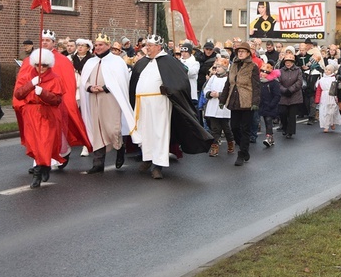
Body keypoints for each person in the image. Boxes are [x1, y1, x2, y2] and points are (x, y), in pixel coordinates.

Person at [130, 34, 213, 179]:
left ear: (158, 47)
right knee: (145, 132)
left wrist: (169, 89)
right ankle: (147, 158)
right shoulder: (143, 62)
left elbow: (180, 81)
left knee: (159, 133)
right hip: (142, 104)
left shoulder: (168, 61)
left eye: (150, 46)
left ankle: (158, 165)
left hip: (159, 103)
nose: (147, 48)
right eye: (146, 45)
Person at [15, 29, 91, 170]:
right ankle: (39, 163)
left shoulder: (62, 61)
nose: (44, 43)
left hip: (52, 105)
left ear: (53, 43)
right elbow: (21, 83)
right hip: (34, 108)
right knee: (37, 137)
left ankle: (61, 153)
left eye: (47, 41)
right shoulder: (30, 60)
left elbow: (66, 84)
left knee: (52, 136)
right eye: (42, 40)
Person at [78, 33, 138, 174]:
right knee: (97, 129)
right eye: (96, 45)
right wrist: (89, 87)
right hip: (94, 99)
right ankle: (98, 163)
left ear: (108, 46)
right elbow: (83, 81)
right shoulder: (90, 62)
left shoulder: (117, 62)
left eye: (101, 45)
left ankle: (119, 148)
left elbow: (121, 82)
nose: (98, 48)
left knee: (112, 128)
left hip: (111, 99)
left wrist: (105, 87)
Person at [13, 49, 65, 188]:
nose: (40, 68)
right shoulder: (27, 76)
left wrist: (43, 93)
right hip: (31, 113)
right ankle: (42, 167)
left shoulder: (55, 78)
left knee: (45, 143)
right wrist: (30, 85)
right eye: (37, 64)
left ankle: (40, 171)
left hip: (47, 114)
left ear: (49, 65)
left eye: (43, 65)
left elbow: (57, 100)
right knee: (34, 144)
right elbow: (18, 94)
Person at [219, 41, 261, 166]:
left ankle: (242, 153)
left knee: (245, 129)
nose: (240, 53)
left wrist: (255, 102)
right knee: (234, 127)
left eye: (243, 51)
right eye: (239, 51)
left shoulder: (252, 67)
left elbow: (257, 86)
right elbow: (228, 83)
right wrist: (222, 99)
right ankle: (244, 149)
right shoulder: (233, 66)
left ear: (248, 53)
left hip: (247, 101)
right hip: (234, 100)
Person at [203, 58, 235, 156]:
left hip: (223, 107)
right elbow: (206, 88)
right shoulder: (213, 78)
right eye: (216, 67)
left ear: (225, 68)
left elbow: (230, 92)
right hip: (213, 105)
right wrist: (209, 94)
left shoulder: (228, 78)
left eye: (220, 67)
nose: (217, 69)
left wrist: (220, 94)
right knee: (215, 128)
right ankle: (214, 146)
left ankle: (230, 142)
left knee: (226, 128)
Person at [277, 50, 303, 139]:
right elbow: (278, 82)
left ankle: (290, 131)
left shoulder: (298, 70)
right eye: (286, 62)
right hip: (283, 95)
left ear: (293, 62)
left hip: (294, 95)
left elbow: (299, 82)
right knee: (282, 113)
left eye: (290, 62)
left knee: (292, 115)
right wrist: (284, 90)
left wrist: (291, 90)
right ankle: (284, 127)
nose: (288, 64)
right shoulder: (280, 71)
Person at [315, 64, 341, 132]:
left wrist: (338, 98)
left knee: (332, 111)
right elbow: (319, 90)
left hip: (332, 96)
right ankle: (326, 126)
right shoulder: (321, 79)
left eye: (329, 70)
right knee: (324, 111)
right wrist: (317, 99)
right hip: (324, 97)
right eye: (326, 69)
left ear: (332, 71)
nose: (327, 71)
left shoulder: (334, 79)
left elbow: (337, 89)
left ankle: (332, 122)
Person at [258, 62, 281, 147]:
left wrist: (272, 104)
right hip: (262, 105)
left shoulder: (273, 83)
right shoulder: (260, 82)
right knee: (265, 120)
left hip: (270, 105)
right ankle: (270, 136)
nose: (263, 73)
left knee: (268, 120)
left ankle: (269, 137)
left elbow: (277, 95)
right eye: (261, 71)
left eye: (265, 72)